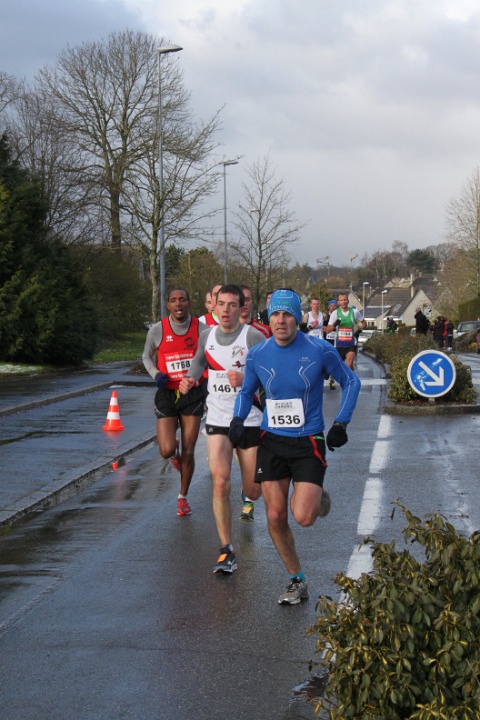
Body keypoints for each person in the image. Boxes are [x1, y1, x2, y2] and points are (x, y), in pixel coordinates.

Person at [228, 289, 361, 605]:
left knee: (303, 516)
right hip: (271, 441)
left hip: (307, 442)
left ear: (297, 318)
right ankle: (296, 579)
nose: (280, 320)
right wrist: (237, 419)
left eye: (287, 314)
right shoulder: (258, 354)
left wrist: (341, 423)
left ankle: (316, 497)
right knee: (275, 515)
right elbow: (246, 392)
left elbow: (351, 382)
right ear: (268, 318)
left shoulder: (319, 350)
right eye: (275, 314)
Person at [179, 284, 266, 574]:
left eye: (232, 305)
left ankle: (249, 490)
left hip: (249, 419)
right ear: (213, 306)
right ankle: (226, 549)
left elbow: (271, 375)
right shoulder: (206, 336)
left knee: (254, 490)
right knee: (219, 482)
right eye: (221, 304)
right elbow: (198, 362)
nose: (226, 310)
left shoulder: (252, 337)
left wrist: (246, 379)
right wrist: (190, 379)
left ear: (241, 308)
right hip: (217, 419)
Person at [142, 288, 207, 517]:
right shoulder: (157, 330)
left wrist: (199, 377)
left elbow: (210, 355)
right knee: (166, 449)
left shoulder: (201, 329)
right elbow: (146, 356)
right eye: (173, 300)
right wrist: (156, 374)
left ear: (189, 303)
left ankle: (182, 497)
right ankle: (173, 454)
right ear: (168, 305)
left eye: (182, 300)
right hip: (167, 394)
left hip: (192, 394)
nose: (178, 304)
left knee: (189, 449)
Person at [324, 292, 366, 370]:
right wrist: (335, 324)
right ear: (338, 302)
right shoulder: (335, 313)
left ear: (348, 301)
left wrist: (360, 329)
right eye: (341, 300)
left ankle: (350, 376)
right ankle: (351, 374)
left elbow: (364, 323)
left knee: (348, 364)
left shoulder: (354, 312)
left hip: (351, 343)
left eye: (345, 300)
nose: (343, 302)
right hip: (339, 344)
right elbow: (328, 330)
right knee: (339, 367)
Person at [324, 299, 338, 390]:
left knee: (334, 361)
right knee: (327, 359)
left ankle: (332, 381)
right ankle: (326, 372)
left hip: (336, 340)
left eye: (334, 306)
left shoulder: (338, 316)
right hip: (327, 340)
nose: (333, 307)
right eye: (331, 306)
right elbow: (324, 328)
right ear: (329, 307)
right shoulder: (326, 317)